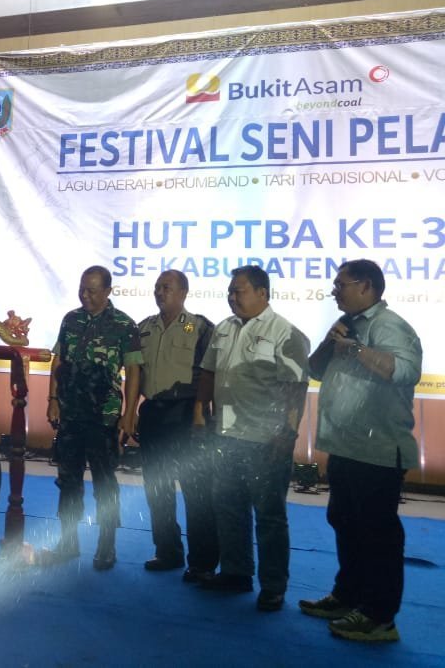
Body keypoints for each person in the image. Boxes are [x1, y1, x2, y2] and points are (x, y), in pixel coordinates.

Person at [300, 260, 422, 643]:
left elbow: (406, 371)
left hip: (378, 448)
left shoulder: (390, 326)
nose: (334, 291)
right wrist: (330, 342)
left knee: (377, 533)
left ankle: (379, 617)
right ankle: (348, 596)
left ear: (366, 286)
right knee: (345, 521)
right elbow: (314, 370)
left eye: (341, 284)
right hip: (346, 445)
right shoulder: (346, 324)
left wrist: (355, 349)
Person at [196, 265, 309, 612]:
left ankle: (273, 586)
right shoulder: (224, 328)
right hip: (225, 434)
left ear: (262, 292)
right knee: (228, 507)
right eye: (230, 291)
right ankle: (236, 572)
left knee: (269, 516)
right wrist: (200, 413)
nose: (232, 296)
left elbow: (295, 389)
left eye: (239, 290)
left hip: (266, 439)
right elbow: (208, 372)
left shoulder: (285, 332)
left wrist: (287, 434)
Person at [45, 266, 142, 571]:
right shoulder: (71, 319)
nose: (85, 295)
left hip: (104, 416)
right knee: (68, 480)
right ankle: (68, 542)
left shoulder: (124, 325)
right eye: (82, 289)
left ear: (108, 291)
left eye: (92, 290)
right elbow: (58, 361)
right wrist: (52, 400)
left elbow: (134, 371)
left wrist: (129, 414)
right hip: (71, 412)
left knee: (104, 482)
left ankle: (106, 545)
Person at [136, 270, 218, 582]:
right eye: (157, 287)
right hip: (153, 413)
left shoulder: (201, 328)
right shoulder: (144, 328)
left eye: (166, 287)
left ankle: (202, 562)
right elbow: (135, 373)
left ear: (183, 292)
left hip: (188, 415)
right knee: (157, 487)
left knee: (196, 490)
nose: (160, 292)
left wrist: (204, 417)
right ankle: (167, 551)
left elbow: (211, 375)